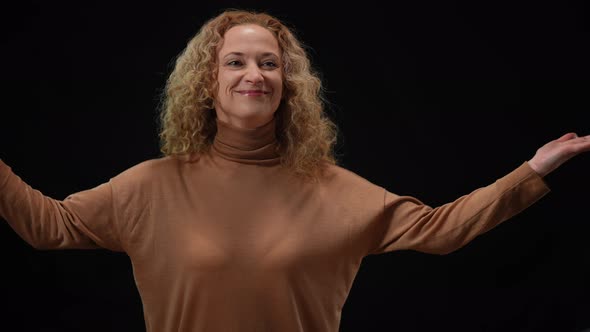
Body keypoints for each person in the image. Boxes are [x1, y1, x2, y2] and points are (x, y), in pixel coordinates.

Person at [1, 8, 589, 332]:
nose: (253, 73)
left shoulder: (335, 191)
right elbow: (48, 225)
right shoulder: (151, 185)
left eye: (269, 63)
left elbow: (440, 228)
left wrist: (533, 169)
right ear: (208, 84)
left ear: (288, 87)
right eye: (234, 61)